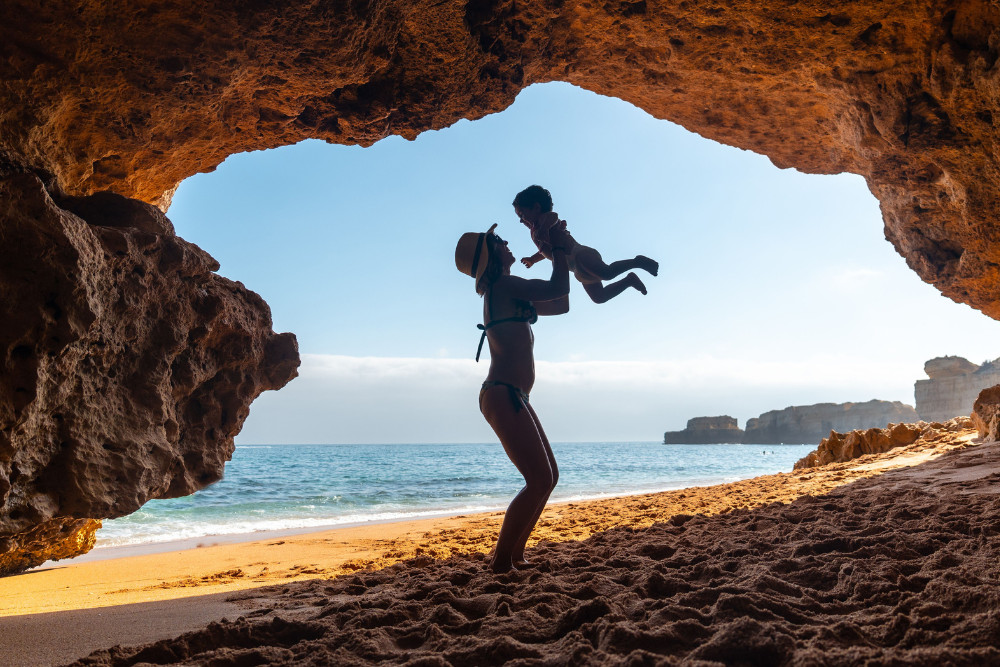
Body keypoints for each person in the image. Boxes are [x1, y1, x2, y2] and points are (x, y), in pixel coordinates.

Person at [455, 222, 571, 573]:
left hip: (513, 394)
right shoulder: (504, 285)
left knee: (548, 477)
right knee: (537, 479)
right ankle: (501, 564)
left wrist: (554, 252)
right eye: (499, 241)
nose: (507, 242)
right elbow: (558, 285)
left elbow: (561, 302)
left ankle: (515, 556)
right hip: (503, 394)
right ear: (491, 255)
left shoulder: (508, 291)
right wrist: (561, 248)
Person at [513, 184, 659, 304]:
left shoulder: (546, 219)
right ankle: (629, 281)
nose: (521, 220)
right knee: (599, 297)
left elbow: (554, 217)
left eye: (522, 214)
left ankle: (637, 261)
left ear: (536, 208)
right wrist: (533, 259)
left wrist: (544, 228)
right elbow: (546, 251)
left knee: (606, 273)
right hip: (576, 269)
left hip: (580, 255)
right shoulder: (535, 231)